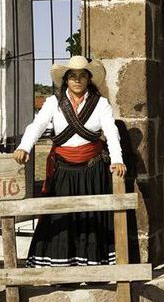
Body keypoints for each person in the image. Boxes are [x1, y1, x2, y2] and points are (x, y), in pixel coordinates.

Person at [13, 56, 127, 267]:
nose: (77, 80)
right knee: (61, 216)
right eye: (72, 76)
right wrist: (24, 147)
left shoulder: (100, 103)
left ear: (88, 79)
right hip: (63, 170)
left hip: (92, 171)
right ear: (66, 79)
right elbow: (37, 125)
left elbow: (112, 132)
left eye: (82, 76)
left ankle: (93, 268)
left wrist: (117, 160)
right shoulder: (53, 103)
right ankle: (60, 267)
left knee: (92, 216)